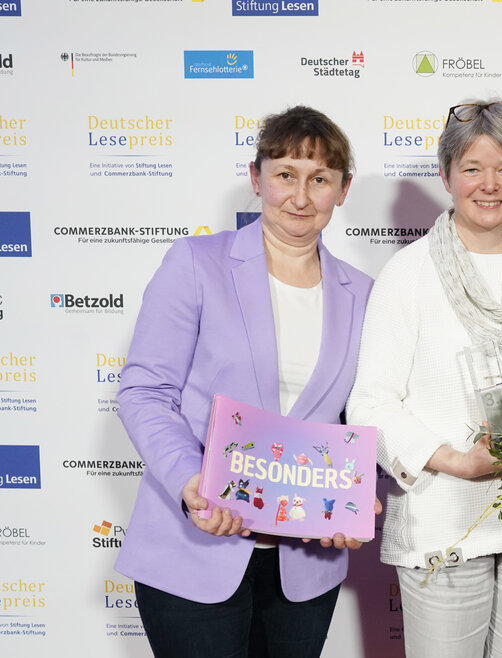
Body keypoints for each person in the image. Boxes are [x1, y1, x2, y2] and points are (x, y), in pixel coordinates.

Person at [115, 106, 376, 657]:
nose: (300, 197)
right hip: (195, 546)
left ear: (343, 189)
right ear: (257, 178)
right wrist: (192, 483)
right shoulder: (195, 262)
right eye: (285, 175)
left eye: (320, 179)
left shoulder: (367, 294)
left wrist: (363, 495)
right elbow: (145, 390)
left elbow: (367, 416)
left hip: (305, 564)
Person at [346, 99, 502, 657]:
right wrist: (459, 461)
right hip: (444, 520)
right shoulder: (408, 273)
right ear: (446, 175)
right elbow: (371, 405)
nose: (489, 184)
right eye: (472, 168)